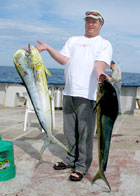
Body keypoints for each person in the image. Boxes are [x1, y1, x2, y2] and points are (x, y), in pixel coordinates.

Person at [35, 10, 112, 182]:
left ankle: (82, 166)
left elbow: (100, 65)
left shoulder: (104, 44)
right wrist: (47, 48)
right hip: (69, 92)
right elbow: (63, 59)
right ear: (85, 23)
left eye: (94, 21)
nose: (90, 24)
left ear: (100, 24)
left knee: (85, 133)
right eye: (88, 21)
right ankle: (70, 159)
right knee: (70, 132)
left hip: (88, 95)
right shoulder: (73, 40)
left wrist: (101, 74)